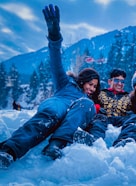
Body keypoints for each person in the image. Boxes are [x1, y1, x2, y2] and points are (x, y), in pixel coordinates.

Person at [0, 4, 100, 168]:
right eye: (91, 84)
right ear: (82, 80)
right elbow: (56, 61)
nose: (92, 89)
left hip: (74, 113)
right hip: (58, 103)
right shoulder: (65, 82)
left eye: (95, 87)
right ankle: (8, 152)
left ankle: (55, 146)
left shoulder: (86, 101)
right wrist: (54, 36)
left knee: (87, 105)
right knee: (51, 114)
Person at [73, 68, 132, 145]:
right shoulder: (100, 94)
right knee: (98, 121)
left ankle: (125, 141)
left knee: (135, 120)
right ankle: (94, 139)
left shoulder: (129, 97)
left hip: (122, 119)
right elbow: (89, 101)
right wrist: (97, 107)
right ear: (110, 81)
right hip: (105, 117)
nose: (120, 84)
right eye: (117, 80)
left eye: (122, 81)